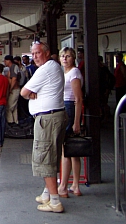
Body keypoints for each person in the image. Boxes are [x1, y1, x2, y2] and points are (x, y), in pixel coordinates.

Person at [20, 41, 67, 213]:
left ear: (46, 53)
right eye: (32, 54)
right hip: (55, 116)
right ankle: (48, 193)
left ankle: (54, 201)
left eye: (37, 53)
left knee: (45, 157)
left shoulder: (45, 69)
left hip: (47, 119)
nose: (34, 57)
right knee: (52, 155)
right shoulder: (54, 67)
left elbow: (23, 92)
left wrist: (31, 94)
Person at [57, 47, 83, 198]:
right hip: (66, 107)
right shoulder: (66, 72)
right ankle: (75, 185)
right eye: (62, 56)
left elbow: (78, 99)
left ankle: (63, 187)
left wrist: (76, 122)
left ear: (73, 58)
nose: (65, 59)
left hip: (69, 108)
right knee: (74, 151)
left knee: (65, 150)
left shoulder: (74, 73)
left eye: (67, 56)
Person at [4, 55, 20, 126]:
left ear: (8, 60)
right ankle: (15, 121)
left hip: (14, 89)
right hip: (14, 89)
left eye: (5, 61)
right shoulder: (12, 67)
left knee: (9, 107)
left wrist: (11, 88)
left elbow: (14, 78)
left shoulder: (13, 67)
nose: (4, 62)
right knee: (14, 107)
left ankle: (11, 122)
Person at [98, 56, 115, 120]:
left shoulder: (103, 69)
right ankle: (104, 115)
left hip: (104, 88)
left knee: (104, 103)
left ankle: (106, 116)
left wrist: (108, 88)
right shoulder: (101, 68)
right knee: (102, 103)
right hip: (102, 88)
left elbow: (109, 78)